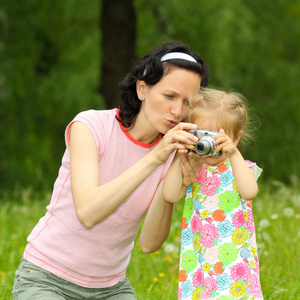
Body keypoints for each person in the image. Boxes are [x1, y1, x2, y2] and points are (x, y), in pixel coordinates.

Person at [12, 42, 209, 299]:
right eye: (169, 96)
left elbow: (149, 244)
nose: (177, 111)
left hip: (110, 289)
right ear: (142, 89)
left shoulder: (172, 152)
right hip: (46, 279)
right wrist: (154, 159)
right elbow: (88, 213)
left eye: (187, 102)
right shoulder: (91, 126)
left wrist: (176, 183)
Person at [163, 88, 264, 299]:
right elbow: (170, 195)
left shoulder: (240, 167)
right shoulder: (193, 167)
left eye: (215, 138)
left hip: (236, 262)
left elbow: (249, 191)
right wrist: (179, 154)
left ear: (236, 138)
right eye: (202, 135)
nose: (207, 145)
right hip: (198, 261)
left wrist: (233, 153)